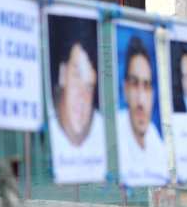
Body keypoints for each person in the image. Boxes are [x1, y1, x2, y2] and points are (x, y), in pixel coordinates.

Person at [116, 36, 168, 184]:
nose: (141, 100)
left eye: (146, 85)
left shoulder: (153, 136)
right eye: (134, 84)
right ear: (125, 89)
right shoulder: (114, 133)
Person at [48, 19, 104, 151]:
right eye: (77, 76)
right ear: (62, 74)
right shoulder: (45, 128)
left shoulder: (101, 131)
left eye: (89, 86)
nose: (82, 97)